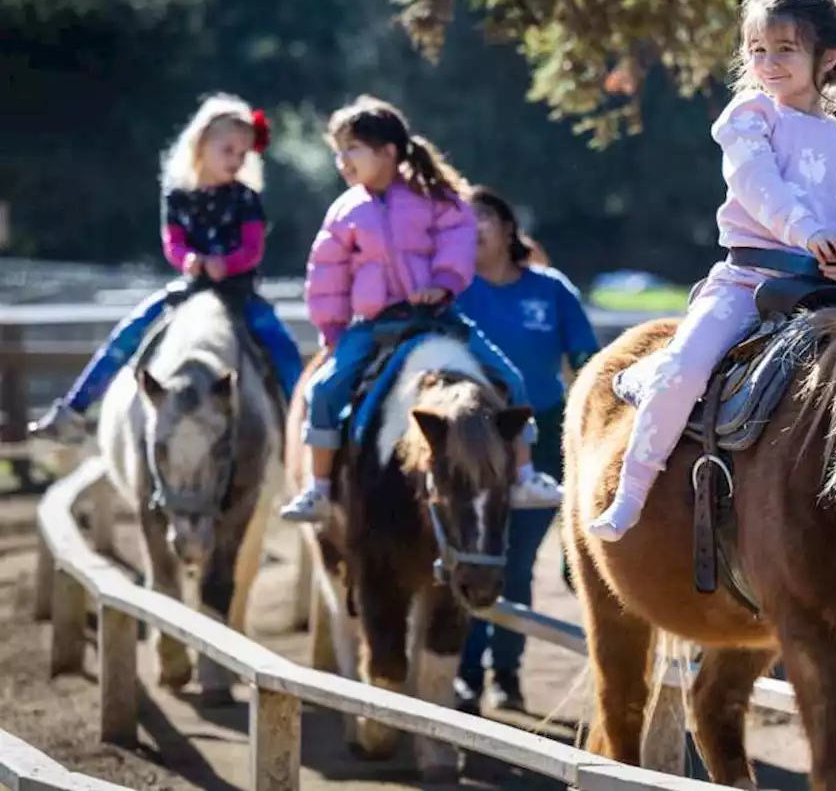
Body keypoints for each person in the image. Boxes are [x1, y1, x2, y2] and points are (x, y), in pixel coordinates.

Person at [586, 0, 836, 541]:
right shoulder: (750, 117)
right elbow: (756, 183)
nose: (769, 62)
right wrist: (806, 232)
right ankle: (630, 492)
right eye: (758, 50)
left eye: (785, 49)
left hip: (828, 294)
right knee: (682, 370)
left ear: (827, 58)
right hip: (746, 281)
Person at [279, 96, 562, 522]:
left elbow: (457, 241)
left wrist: (443, 284)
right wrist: (333, 329)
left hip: (437, 320)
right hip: (373, 325)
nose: (342, 161)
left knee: (508, 378)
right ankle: (318, 488)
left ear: (388, 152)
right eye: (338, 152)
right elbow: (326, 272)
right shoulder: (345, 210)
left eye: (351, 149)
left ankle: (523, 475)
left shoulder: (434, 197)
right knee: (324, 389)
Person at [28, 93, 302, 445]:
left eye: (242, 154)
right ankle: (73, 409)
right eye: (228, 149)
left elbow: (253, 249)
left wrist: (227, 264)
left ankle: (303, 427)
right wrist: (188, 259)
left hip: (238, 293)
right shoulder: (177, 195)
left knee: (282, 347)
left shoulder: (245, 198)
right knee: (128, 333)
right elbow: (173, 242)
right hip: (191, 289)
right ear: (201, 144)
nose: (236, 160)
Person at [452, 185, 599, 713]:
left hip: (545, 438)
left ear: (507, 226)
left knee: (514, 563)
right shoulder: (454, 293)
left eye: (482, 216)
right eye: (461, 221)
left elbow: (587, 361)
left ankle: (505, 675)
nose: (472, 227)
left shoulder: (552, 290)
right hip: (473, 444)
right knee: (478, 555)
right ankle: (465, 673)